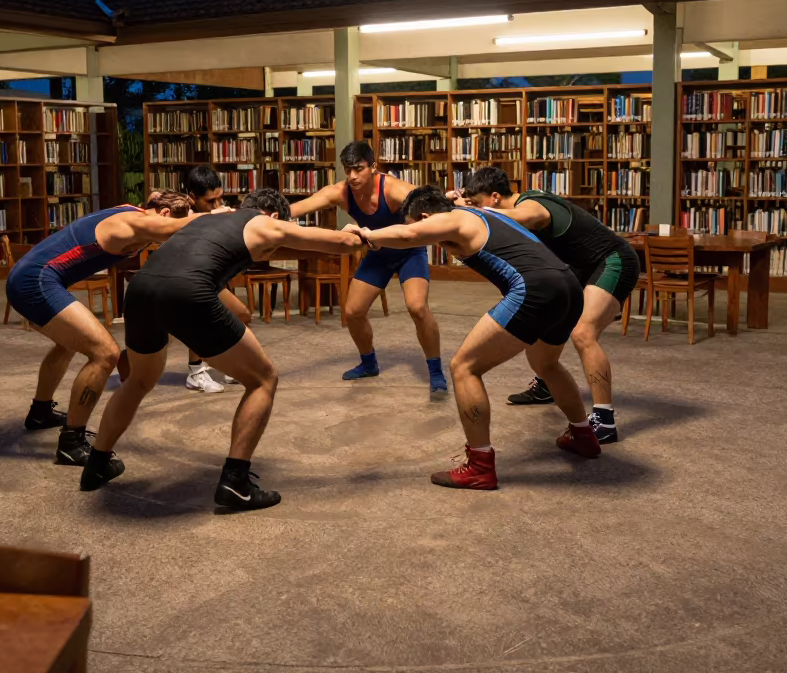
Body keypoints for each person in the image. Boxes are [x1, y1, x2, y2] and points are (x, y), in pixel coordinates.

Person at [81, 188, 365, 509]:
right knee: (263, 379)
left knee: (138, 380)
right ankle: (236, 483)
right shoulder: (264, 222)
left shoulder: (210, 219)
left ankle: (97, 464)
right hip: (187, 292)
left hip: (141, 290)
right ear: (273, 215)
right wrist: (356, 234)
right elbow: (342, 243)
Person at [357, 186, 601, 490]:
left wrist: (366, 234)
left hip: (535, 289)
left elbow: (409, 235)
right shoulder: (478, 213)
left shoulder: (452, 219)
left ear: (425, 217)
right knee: (546, 364)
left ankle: (480, 467)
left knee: (464, 367)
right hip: (568, 286)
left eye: (418, 224)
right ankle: (583, 436)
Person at [5, 191, 197, 466]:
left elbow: (160, 205)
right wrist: (226, 216)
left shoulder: (134, 211)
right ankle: (71, 444)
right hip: (34, 282)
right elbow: (176, 226)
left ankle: (40, 413)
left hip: (30, 276)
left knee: (68, 343)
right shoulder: (132, 223)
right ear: (164, 214)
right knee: (105, 354)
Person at [454, 167, 639, 443]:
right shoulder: (509, 204)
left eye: (479, 204)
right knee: (544, 324)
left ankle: (604, 420)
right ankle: (545, 385)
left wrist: (470, 212)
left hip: (612, 260)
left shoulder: (532, 204)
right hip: (579, 266)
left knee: (583, 334)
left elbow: (519, 218)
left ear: (494, 197)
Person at [288, 141, 447, 392]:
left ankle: (436, 371)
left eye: (358, 169)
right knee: (353, 311)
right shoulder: (340, 192)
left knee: (417, 307)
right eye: (347, 169)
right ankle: (368, 363)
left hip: (409, 253)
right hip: (378, 254)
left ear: (373, 167)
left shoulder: (393, 189)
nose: (352, 176)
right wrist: (255, 216)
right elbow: (295, 208)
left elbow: (435, 206)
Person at [178, 166, 252, 394]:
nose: (217, 205)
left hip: (209, 278)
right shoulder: (181, 214)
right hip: (182, 279)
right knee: (199, 321)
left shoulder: (217, 212)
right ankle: (195, 372)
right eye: (210, 201)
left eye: (220, 198)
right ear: (192, 197)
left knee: (241, 315)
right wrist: (213, 217)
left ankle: (229, 365)